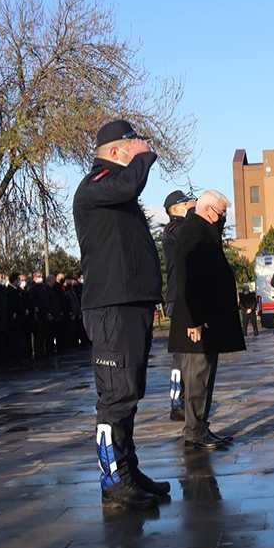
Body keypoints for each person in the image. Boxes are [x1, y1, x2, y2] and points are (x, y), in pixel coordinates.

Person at [74, 119, 168, 508]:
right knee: (115, 397)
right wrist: (145, 156)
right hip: (112, 306)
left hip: (130, 303)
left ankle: (128, 471)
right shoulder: (97, 183)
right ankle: (113, 481)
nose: (140, 150)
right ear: (115, 151)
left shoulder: (115, 189)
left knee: (129, 393)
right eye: (132, 145)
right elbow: (131, 183)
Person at [168, 190, 245, 451]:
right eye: (221, 213)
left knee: (204, 376)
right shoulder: (193, 232)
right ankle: (194, 431)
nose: (223, 218)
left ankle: (200, 426)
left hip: (205, 320)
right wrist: (193, 320)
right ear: (209, 210)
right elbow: (187, 280)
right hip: (196, 323)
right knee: (197, 377)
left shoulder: (202, 231)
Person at [162, 189, 196, 422]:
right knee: (182, 355)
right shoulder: (175, 229)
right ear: (175, 209)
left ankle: (182, 401)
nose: (189, 205)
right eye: (184, 204)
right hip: (179, 297)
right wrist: (194, 211)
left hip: (183, 295)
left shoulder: (179, 228)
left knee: (186, 354)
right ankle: (178, 402)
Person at [28, 272, 54, 360]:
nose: (41, 278)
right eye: (39, 276)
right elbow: (32, 300)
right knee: (38, 335)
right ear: (34, 277)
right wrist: (36, 309)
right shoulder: (32, 288)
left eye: (41, 276)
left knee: (43, 334)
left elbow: (47, 300)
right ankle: (38, 353)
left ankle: (43, 351)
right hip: (38, 315)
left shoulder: (43, 287)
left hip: (44, 314)